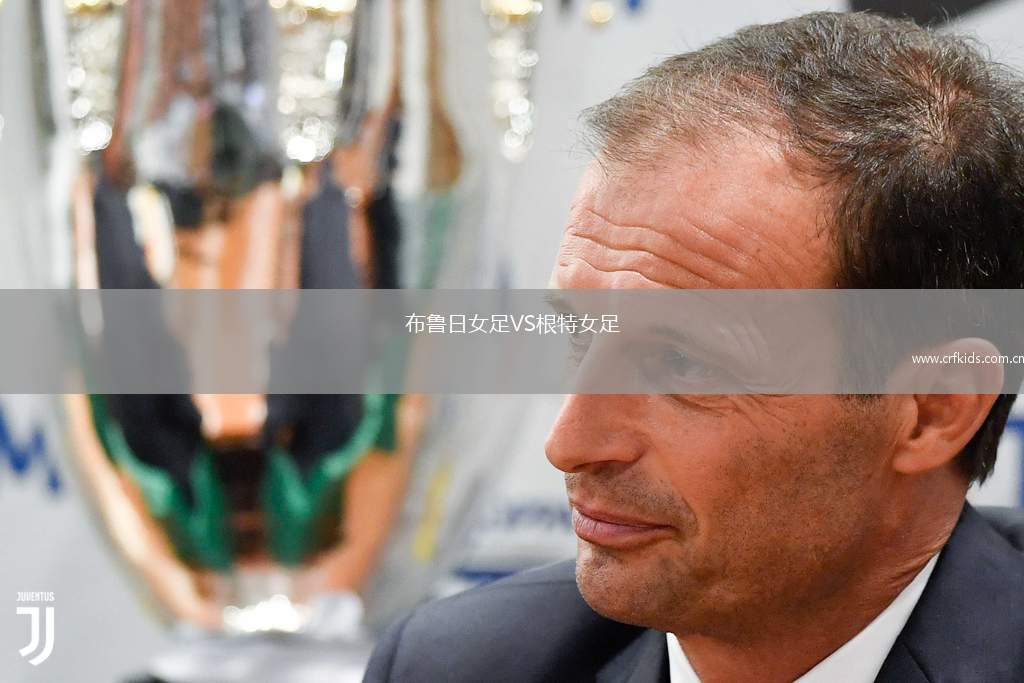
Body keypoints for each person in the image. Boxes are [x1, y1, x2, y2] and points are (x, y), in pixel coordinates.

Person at [364, 12, 1024, 682]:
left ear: (934, 409)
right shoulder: (457, 664)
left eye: (683, 362)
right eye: (580, 333)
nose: (569, 444)